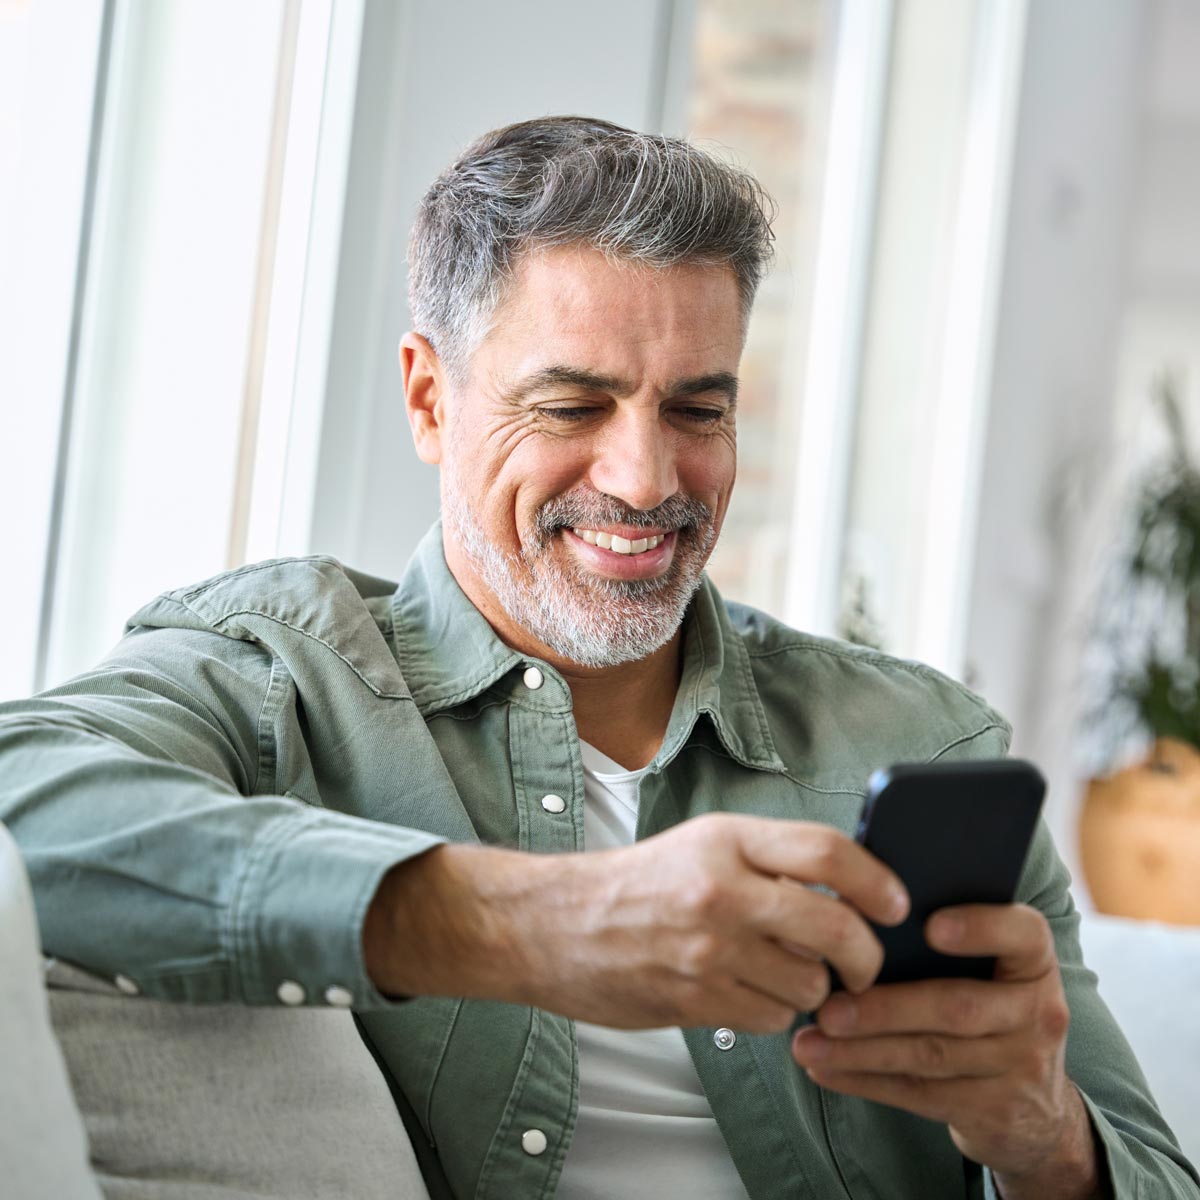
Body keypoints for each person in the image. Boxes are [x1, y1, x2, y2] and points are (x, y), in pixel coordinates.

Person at [0, 116, 1195, 1200]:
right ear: (429, 399)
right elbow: (23, 804)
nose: (645, 481)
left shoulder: (920, 743)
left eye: (698, 411)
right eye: (571, 407)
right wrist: (536, 925)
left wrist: (1047, 1141)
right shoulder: (280, 677)